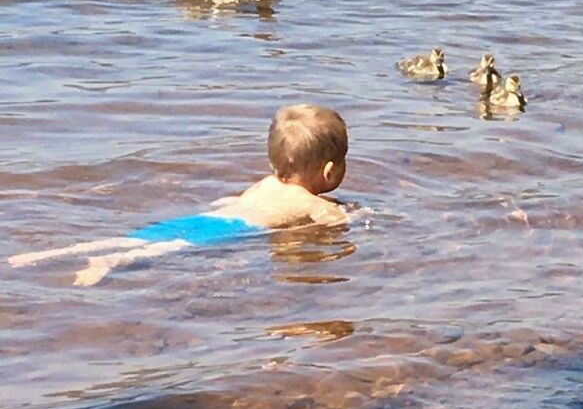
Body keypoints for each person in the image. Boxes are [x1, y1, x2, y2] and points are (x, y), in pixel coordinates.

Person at [8, 103, 349, 286]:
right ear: (329, 171)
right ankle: (108, 262)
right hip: (233, 231)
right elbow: (335, 221)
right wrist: (358, 217)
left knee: (134, 238)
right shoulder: (309, 201)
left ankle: (49, 254)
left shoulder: (267, 183)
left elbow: (232, 202)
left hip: (208, 218)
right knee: (166, 250)